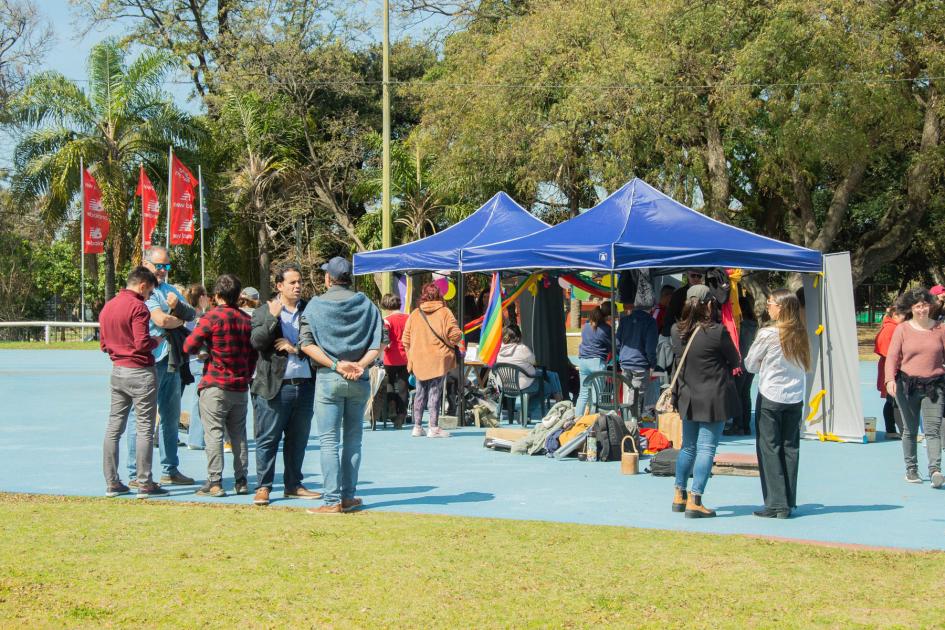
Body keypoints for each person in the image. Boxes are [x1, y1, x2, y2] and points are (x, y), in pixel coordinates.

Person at [299, 257, 382, 514]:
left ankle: (332, 500)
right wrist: (361, 366)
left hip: (329, 378)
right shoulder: (367, 305)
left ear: (328, 278)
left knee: (328, 441)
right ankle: (348, 496)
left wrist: (336, 365)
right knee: (353, 441)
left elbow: (306, 344)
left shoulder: (314, 306)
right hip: (359, 379)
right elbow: (377, 345)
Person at [250, 264, 321, 506]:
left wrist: (296, 349)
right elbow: (258, 342)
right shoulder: (263, 312)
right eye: (292, 282)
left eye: (299, 282)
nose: (298, 286)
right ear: (279, 286)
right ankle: (263, 487)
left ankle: (293, 485)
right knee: (268, 438)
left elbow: (322, 343)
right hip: (274, 386)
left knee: (298, 439)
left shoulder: (311, 311)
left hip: (304, 385)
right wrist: (273, 317)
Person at [127, 247, 196, 488]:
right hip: (149, 361)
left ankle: (170, 469)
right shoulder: (142, 293)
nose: (163, 271)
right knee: (142, 418)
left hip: (172, 361)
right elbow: (160, 320)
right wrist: (177, 320)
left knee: (171, 416)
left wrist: (177, 317)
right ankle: (135, 473)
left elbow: (192, 315)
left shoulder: (170, 291)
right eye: (159, 266)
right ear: (145, 263)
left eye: (167, 266)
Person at [670, 284, 740, 518]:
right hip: (713, 397)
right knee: (706, 448)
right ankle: (695, 499)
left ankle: (678, 494)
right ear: (709, 304)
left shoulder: (675, 331)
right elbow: (735, 360)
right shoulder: (717, 332)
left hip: (688, 396)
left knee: (687, 447)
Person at [183, 274, 256, 497]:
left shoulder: (211, 317)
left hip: (215, 383)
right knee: (239, 435)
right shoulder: (247, 320)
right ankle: (241, 480)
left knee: (213, 433)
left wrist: (203, 352)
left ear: (217, 295)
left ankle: (214, 482)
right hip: (240, 386)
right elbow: (253, 354)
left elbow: (189, 345)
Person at [99, 266, 168, 498]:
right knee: (144, 428)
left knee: (114, 427)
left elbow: (104, 344)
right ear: (143, 286)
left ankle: (112, 481)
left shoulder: (108, 306)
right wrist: (156, 340)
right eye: (149, 293)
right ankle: (144, 482)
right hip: (140, 372)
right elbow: (141, 342)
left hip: (118, 370)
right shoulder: (138, 307)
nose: (148, 298)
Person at [744, 289, 810, 519]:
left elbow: (750, 364)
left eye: (771, 303)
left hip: (772, 394)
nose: (768, 307)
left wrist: (762, 362)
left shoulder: (768, 334)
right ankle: (788, 500)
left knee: (769, 448)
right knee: (790, 447)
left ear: (780, 307)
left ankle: (776, 503)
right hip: (794, 396)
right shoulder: (800, 333)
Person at [885, 287, 945, 487]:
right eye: (918, 306)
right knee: (910, 430)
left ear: (931, 305)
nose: (922, 310)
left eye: (925, 305)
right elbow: (892, 356)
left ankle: (935, 470)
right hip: (907, 385)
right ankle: (911, 469)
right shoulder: (902, 329)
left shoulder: (940, 328)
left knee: (933, 429)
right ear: (911, 308)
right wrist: (889, 380)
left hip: (934, 386)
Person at [402, 282, 463, 438]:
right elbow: (455, 335)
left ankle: (417, 427)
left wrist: (411, 358)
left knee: (420, 393)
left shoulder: (415, 313)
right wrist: (453, 340)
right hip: (439, 358)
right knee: (435, 392)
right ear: (439, 295)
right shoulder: (445, 312)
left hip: (418, 359)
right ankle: (433, 427)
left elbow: (405, 340)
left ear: (423, 295)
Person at [496, 325, 563, 403]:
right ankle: (530, 410)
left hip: (505, 386)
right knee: (547, 388)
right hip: (522, 385)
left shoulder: (500, 350)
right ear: (519, 335)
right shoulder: (522, 348)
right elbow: (534, 362)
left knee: (552, 375)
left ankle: (560, 400)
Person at [616, 296, 658, 419]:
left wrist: (622, 356)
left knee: (628, 396)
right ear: (650, 307)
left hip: (625, 363)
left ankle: (626, 423)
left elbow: (617, 343)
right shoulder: (650, 321)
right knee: (636, 398)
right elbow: (650, 347)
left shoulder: (624, 320)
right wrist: (653, 363)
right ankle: (633, 426)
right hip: (640, 364)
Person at [182, 284, 210, 450]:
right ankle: (196, 438)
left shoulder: (190, 316)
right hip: (198, 362)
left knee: (199, 398)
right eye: (206, 295)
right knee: (200, 400)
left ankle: (198, 436)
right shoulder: (197, 317)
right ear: (201, 298)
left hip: (193, 361)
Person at [574, 302, 613, 417]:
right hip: (596, 362)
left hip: (583, 361)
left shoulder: (586, 326)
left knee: (583, 394)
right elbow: (614, 346)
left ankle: (577, 421)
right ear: (608, 316)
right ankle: (593, 422)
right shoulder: (606, 329)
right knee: (597, 395)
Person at [874, 305, 905, 439]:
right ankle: (898, 430)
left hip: (893, 368)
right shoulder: (891, 329)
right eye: (905, 316)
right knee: (894, 400)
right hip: (892, 369)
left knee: (893, 400)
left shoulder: (893, 327)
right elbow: (886, 351)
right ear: (895, 316)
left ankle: (893, 429)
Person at [381, 293, 410, 428]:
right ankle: (402, 414)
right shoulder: (409, 318)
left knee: (390, 383)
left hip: (390, 357)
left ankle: (391, 406)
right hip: (406, 357)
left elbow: (385, 339)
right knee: (404, 386)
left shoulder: (386, 320)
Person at [732, 293, 759, 436]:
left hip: (740, 363)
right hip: (750, 363)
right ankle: (746, 425)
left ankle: (738, 425)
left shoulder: (740, 324)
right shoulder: (754, 323)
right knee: (745, 395)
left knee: (737, 396)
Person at [661, 269, 705, 337]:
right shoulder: (678, 294)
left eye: (699, 276)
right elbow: (670, 317)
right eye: (693, 276)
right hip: (683, 334)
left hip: (701, 332)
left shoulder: (705, 293)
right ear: (687, 274)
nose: (696, 278)